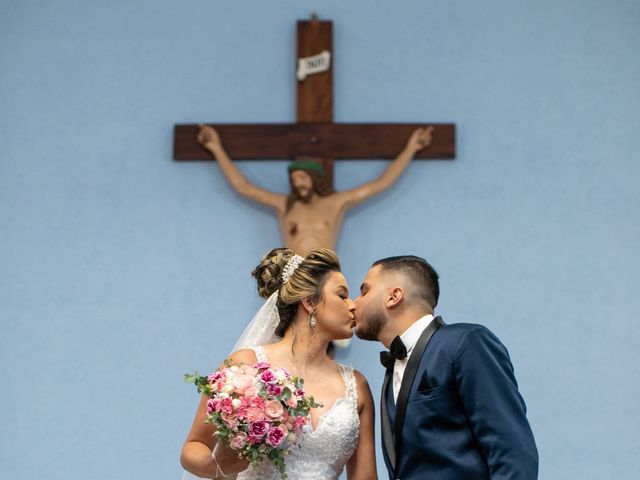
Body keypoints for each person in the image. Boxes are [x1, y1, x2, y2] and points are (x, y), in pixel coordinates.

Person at [180, 248, 377, 479]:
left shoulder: (357, 386)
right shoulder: (247, 366)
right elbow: (193, 446)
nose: (352, 305)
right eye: (342, 295)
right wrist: (218, 468)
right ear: (309, 301)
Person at [353, 255, 538, 480]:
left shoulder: (465, 342)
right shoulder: (392, 369)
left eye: (364, 291)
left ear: (394, 296)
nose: (354, 303)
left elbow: (513, 453)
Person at [197, 125, 433, 256]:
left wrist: (411, 148)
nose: (298, 184)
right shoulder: (284, 205)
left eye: (302, 177)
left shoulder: (336, 203)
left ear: (315, 178)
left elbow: (381, 184)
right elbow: (244, 187)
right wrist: (217, 149)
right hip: (293, 274)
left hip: (326, 271)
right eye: (294, 179)